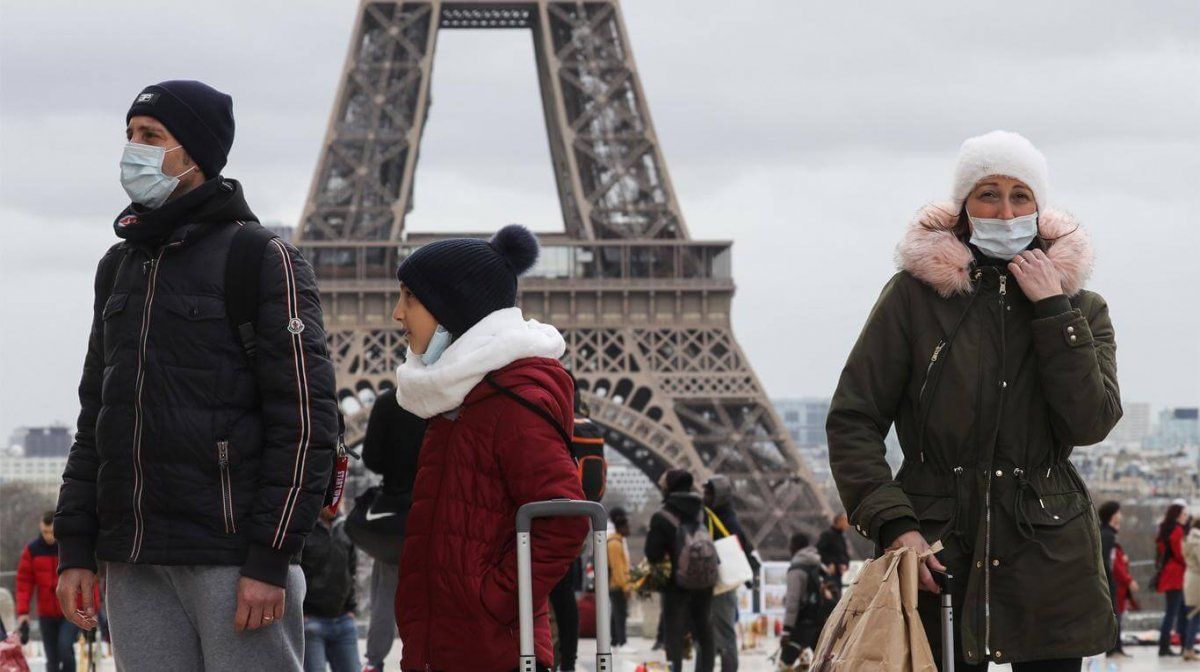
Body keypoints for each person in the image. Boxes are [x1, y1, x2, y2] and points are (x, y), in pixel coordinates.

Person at [54, 80, 339, 672]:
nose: (134, 149)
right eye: (130, 134)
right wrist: (76, 545)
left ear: (197, 153)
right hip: (135, 559)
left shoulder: (262, 258)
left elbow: (306, 420)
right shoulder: (118, 266)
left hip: (232, 559)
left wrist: (270, 556)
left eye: (152, 135)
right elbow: (97, 418)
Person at [827, 131, 1122, 671]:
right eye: (988, 194)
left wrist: (1053, 312)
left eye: (1020, 195)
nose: (1005, 212)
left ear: (1039, 208)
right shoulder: (913, 298)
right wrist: (896, 525)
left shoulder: (1082, 308)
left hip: (1047, 551)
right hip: (936, 549)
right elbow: (854, 418)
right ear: (964, 206)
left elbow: (1090, 422)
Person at [391, 225, 589, 672]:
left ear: (453, 306)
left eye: (410, 297)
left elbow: (565, 519)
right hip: (446, 649)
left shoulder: (510, 403)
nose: (397, 313)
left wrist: (492, 600)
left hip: (490, 651)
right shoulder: (458, 400)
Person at [359, 386, 427, 672]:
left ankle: (374, 660)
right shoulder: (443, 397)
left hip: (394, 510)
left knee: (386, 589)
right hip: (434, 506)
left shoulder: (388, 401)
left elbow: (371, 458)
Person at [646, 469, 716, 672]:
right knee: (704, 631)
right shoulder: (703, 512)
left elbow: (653, 553)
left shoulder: (662, 516)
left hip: (675, 584)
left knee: (674, 635)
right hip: (704, 581)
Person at [703, 475, 760, 672]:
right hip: (718, 581)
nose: (705, 496)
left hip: (722, 583)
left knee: (722, 632)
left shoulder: (725, 519)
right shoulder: (721, 516)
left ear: (718, 495)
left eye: (709, 493)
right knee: (716, 632)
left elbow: (741, 545)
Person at [301, 504, 360, 672]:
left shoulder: (346, 527)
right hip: (311, 623)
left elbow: (352, 570)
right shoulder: (303, 529)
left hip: (344, 621)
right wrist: (301, 614)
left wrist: (351, 609)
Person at [16, 513, 76, 672]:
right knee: (52, 660)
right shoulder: (32, 551)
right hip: (46, 614)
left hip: (69, 611)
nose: (49, 536)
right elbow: (24, 583)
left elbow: (85, 578)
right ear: (40, 528)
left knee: (65, 648)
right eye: (45, 532)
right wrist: (23, 612)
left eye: (51, 532)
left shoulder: (68, 547)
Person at [780, 532, 831, 669]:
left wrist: (786, 630)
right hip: (820, 621)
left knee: (784, 665)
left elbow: (792, 601)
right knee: (824, 664)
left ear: (795, 546)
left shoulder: (796, 570)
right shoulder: (819, 565)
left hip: (801, 624)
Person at [1097, 501, 1136, 658]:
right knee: (1115, 614)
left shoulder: (1106, 533)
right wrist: (1110, 580)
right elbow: (1106, 560)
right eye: (1119, 512)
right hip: (1109, 581)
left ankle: (1116, 647)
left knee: (1116, 613)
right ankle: (1113, 648)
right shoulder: (1108, 535)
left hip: (1108, 581)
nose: (1121, 515)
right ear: (1113, 515)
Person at [1157, 502, 1190, 657]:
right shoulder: (1177, 531)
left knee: (1174, 611)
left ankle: (1173, 645)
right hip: (1177, 576)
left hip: (1170, 574)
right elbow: (1180, 554)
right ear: (1177, 515)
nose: (1186, 517)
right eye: (1184, 514)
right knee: (1176, 612)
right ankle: (1172, 646)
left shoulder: (1166, 530)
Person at [607, 507, 632, 650]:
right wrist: (625, 586)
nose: (629, 530)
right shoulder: (614, 544)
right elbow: (617, 569)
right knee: (620, 615)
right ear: (621, 527)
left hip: (617, 584)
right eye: (627, 527)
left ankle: (615, 641)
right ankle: (622, 642)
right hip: (617, 585)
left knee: (616, 614)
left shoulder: (618, 541)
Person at [816, 514, 851, 596]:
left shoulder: (841, 536)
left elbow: (844, 553)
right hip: (829, 572)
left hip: (838, 572)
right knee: (832, 596)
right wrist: (829, 563)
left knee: (837, 595)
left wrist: (845, 564)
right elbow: (820, 550)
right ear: (839, 521)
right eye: (846, 521)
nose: (848, 524)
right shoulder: (827, 535)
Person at [1183, 517, 1200, 661]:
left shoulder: (1189, 539)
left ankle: (1188, 647)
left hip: (1191, 579)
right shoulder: (1197, 542)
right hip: (1197, 581)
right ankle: (1188, 648)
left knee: (1193, 615)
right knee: (1195, 615)